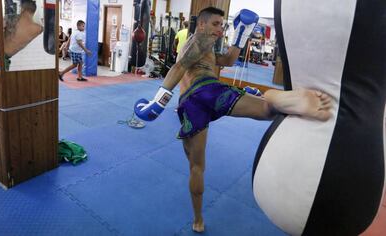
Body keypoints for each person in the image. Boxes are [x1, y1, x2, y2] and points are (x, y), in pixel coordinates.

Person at [134, 7, 332, 233]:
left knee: (197, 167)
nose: (220, 29)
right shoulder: (198, 40)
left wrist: (241, 35)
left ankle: (198, 220)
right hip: (206, 92)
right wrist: (158, 101)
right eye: (216, 24)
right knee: (268, 111)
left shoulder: (206, 47)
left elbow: (227, 60)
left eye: (222, 25)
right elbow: (179, 66)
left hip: (191, 106)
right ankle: (273, 97)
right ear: (202, 24)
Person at [3, 0, 43, 70]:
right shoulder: (38, 29)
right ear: (34, 11)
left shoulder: (11, 19)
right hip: (4, 56)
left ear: (22, 8)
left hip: (1, 56)